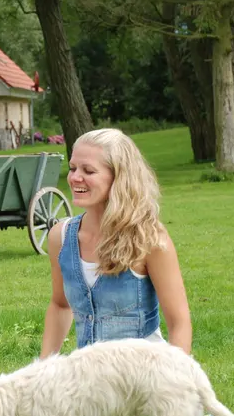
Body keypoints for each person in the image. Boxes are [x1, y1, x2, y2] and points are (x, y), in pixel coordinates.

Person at [41, 128, 193, 359]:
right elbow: (60, 305)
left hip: (143, 371)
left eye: (88, 171)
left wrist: (175, 375)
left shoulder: (148, 238)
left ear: (119, 177)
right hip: (86, 372)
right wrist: (43, 368)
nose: (74, 178)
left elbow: (179, 322)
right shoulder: (60, 237)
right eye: (72, 168)